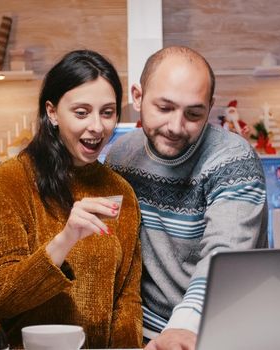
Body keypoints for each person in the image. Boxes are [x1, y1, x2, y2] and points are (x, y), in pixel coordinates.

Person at [106, 46, 268, 350]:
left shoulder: (233, 160)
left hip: (215, 333)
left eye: (194, 114)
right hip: (142, 333)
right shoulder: (119, 156)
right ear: (137, 97)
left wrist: (182, 328)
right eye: (164, 108)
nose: (176, 127)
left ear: (210, 107)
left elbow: (225, 256)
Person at [0, 50, 143, 348]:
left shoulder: (121, 191)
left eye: (107, 112)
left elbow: (126, 301)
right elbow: (1, 298)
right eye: (81, 113)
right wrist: (65, 239)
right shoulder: (11, 179)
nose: (97, 126)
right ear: (52, 112)